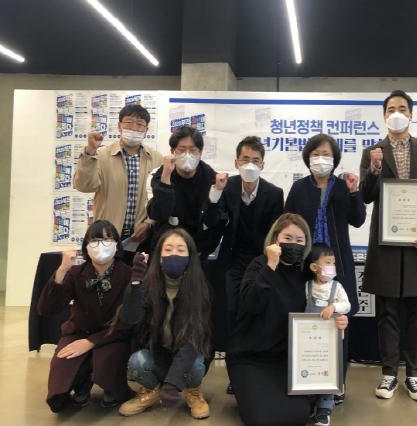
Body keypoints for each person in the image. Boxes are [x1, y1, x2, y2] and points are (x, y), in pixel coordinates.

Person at [359, 90, 417, 401]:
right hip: (386, 243)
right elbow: (366, 196)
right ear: (384, 116)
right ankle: (388, 374)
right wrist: (374, 170)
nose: (396, 113)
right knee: (386, 312)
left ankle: (414, 376)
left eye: (402, 108)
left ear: (411, 114)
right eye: (391, 109)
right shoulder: (373, 152)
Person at [226, 213, 349, 426]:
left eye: (300, 240)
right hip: (250, 356)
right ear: (275, 239)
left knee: (298, 414)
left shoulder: (306, 274)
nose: (294, 244)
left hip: (288, 359)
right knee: (261, 419)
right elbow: (251, 304)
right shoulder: (259, 265)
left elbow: (322, 308)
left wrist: (338, 320)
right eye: (288, 238)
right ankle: (244, 388)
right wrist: (271, 265)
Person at [285, 133, 366, 403]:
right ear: (308, 157)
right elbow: (287, 223)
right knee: (305, 320)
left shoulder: (343, 186)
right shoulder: (299, 188)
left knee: (339, 323)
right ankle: (306, 379)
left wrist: (354, 192)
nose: (321, 159)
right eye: (316, 154)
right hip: (305, 266)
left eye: (326, 155)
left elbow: (357, 219)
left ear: (335, 159)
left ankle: (336, 383)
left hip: (337, 265)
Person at [204, 136, 284, 393]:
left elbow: (275, 234)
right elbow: (212, 222)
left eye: (256, 160)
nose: (250, 164)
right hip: (232, 261)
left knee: (256, 313)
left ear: (263, 164)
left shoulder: (274, 193)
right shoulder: (226, 187)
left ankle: (254, 371)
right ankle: (235, 374)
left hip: (260, 262)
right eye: (245, 159)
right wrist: (215, 193)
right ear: (236, 162)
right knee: (232, 314)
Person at [37, 220, 133, 412]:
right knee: (63, 366)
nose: (101, 245)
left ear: (117, 244)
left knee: (107, 359)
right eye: (95, 240)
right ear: (86, 246)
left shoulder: (128, 274)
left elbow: (130, 321)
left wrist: (91, 342)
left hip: (114, 335)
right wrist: (62, 270)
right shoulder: (76, 273)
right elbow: (47, 309)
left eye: (107, 239)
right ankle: (82, 382)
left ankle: (110, 385)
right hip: (79, 331)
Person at [117, 228, 212, 419]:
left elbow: (192, 341)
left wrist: (172, 384)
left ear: (190, 257)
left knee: (196, 365)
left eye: (180, 250)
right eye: (168, 249)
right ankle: (151, 390)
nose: (174, 254)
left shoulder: (200, 289)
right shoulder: (148, 284)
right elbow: (130, 319)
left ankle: (193, 391)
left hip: (187, 352)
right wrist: (135, 283)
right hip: (157, 351)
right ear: (159, 256)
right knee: (138, 361)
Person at [73, 104, 162, 241]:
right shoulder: (101, 155)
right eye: (128, 123)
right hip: (107, 236)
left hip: (142, 238)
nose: (134, 128)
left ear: (146, 130)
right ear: (119, 126)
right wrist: (90, 152)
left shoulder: (157, 159)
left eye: (140, 124)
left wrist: (149, 223)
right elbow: (84, 186)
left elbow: (160, 198)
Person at [148, 126, 224, 259]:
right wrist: (166, 176)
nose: (187, 155)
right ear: (172, 151)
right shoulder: (160, 175)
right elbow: (158, 215)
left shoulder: (212, 179)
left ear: (200, 153)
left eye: (193, 150)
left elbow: (213, 221)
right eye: (181, 150)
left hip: (199, 248)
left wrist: (216, 193)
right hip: (167, 247)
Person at [305, 243, 351, 426]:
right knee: (310, 368)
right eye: (328, 262)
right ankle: (309, 401)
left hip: (330, 341)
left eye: (333, 263)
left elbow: (347, 305)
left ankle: (325, 406)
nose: (332, 266)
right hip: (309, 341)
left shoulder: (336, 287)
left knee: (329, 370)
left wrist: (333, 307)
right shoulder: (307, 287)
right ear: (314, 267)